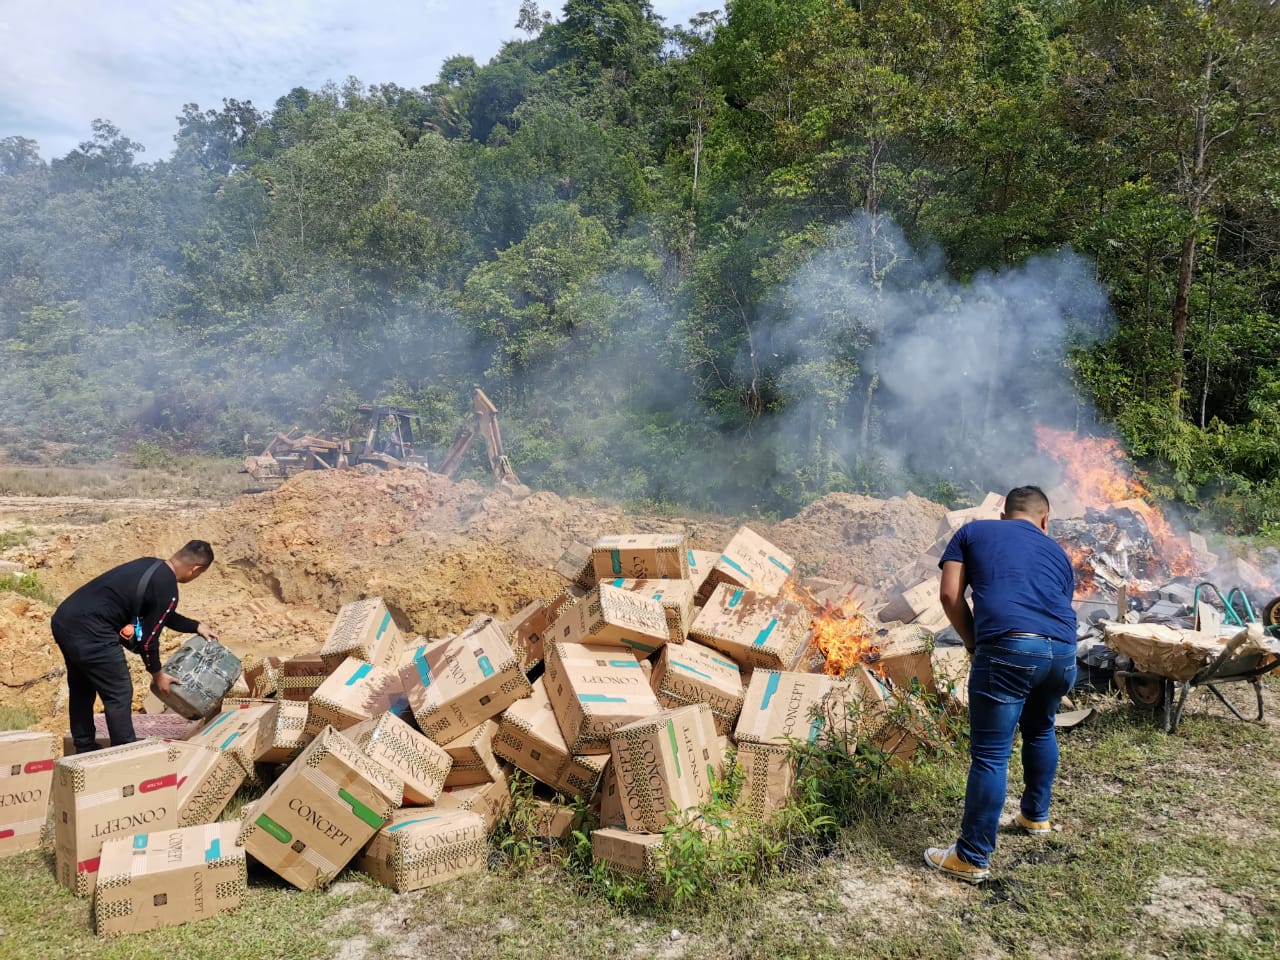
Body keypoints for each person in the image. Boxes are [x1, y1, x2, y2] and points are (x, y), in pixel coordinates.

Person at [924, 486, 1077, 883]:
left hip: (1008, 649)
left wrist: (973, 641)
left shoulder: (973, 532)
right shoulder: (1059, 553)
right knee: (1041, 728)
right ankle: (1034, 817)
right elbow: (1059, 608)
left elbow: (948, 594)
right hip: (1062, 654)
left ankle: (972, 856)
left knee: (991, 755)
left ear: (1005, 514)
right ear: (1045, 519)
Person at [50, 540, 219, 752]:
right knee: (119, 692)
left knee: (82, 687)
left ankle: (84, 747)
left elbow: (159, 613)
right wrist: (157, 675)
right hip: (93, 631)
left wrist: (196, 626)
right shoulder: (168, 588)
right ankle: (125, 752)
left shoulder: (149, 565)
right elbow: (148, 641)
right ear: (197, 569)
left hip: (65, 619)